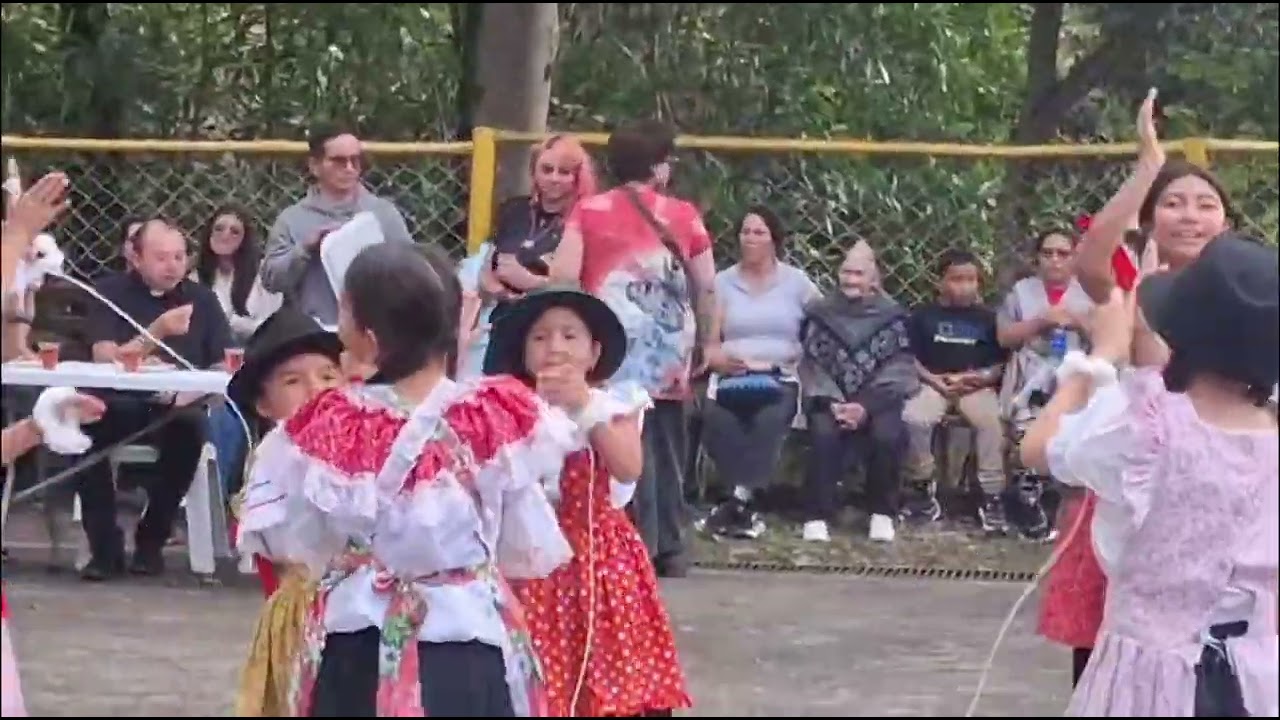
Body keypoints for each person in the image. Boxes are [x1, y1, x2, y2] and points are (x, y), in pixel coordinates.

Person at [240, 241, 577, 716]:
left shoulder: (331, 426)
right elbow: (522, 535)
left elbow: (294, 540)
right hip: (467, 637)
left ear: (368, 337)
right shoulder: (494, 416)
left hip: (360, 640)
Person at [1021, 233, 1279, 716]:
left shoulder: (1144, 427)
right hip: (1257, 677)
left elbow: (1037, 449)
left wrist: (1101, 354)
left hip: (1147, 681)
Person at [485, 286, 692, 717]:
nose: (554, 347)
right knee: (534, 673)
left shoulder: (613, 404)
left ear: (594, 352)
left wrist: (582, 405)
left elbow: (628, 467)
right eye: (540, 338)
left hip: (599, 562)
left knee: (607, 670)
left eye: (569, 336)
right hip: (529, 558)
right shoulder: (509, 408)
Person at [549, 119, 718, 576]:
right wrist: (709, 339)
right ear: (660, 167)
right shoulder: (683, 215)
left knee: (618, 433)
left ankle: (632, 539)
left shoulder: (588, 212)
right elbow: (705, 285)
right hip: (667, 345)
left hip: (610, 343)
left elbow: (563, 275)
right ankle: (672, 543)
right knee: (666, 438)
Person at [78, 219, 233, 580]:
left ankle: (152, 540)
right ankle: (104, 549)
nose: (172, 266)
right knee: (81, 433)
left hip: (177, 405)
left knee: (190, 431)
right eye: (161, 257)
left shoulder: (202, 299)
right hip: (118, 402)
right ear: (136, 257)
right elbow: (105, 356)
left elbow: (223, 361)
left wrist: (193, 391)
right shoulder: (108, 292)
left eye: (179, 256)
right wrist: (158, 330)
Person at [229, 307, 346, 716]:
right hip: (307, 615)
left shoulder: (366, 441)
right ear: (264, 403)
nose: (316, 388)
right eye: (293, 381)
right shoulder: (274, 458)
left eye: (328, 375)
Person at [798, 240, 918, 544]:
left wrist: (865, 405)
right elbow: (813, 364)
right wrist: (834, 401)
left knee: (887, 435)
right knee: (823, 433)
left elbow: (899, 367)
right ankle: (816, 516)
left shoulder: (894, 317)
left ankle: (882, 513)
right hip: (830, 398)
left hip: (877, 401)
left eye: (859, 274)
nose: (851, 280)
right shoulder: (820, 313)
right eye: (846, 272)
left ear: (874, 279)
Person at [260, 124, 414, 327]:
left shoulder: (383, 213)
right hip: (313, 334)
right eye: (339, 161)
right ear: (314, 166)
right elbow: (272, 281)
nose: (350, 168)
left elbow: (413, 272)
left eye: (355, 160)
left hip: (374, 333)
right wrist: (304, 249)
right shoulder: (292, 219)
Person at [901, 249, 1008, 531]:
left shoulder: (987, 319)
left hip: (974, 385)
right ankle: (922, 486)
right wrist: (933, 380)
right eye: (956, 279)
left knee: (991, 423)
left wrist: (979, 377)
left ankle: (991, 494)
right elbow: (910, 358)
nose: (964, 286)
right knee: (915, 418)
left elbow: (999, 364)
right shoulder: (924, 316)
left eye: (971, 280)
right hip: (933, 382)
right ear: (940, 282)